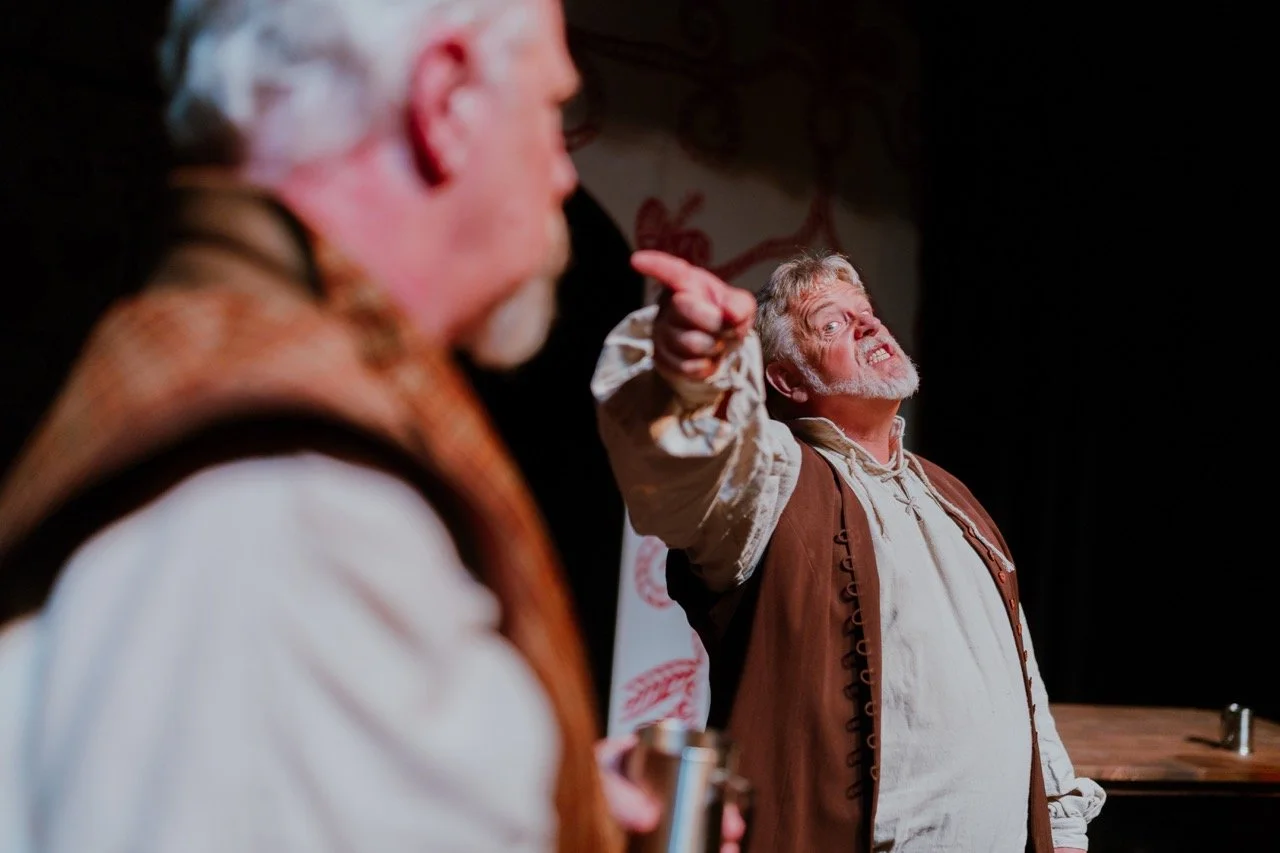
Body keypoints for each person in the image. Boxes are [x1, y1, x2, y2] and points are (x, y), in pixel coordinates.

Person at [0, 1, 743, 851]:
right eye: (548, 108)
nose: (563, 174)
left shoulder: (228, 376)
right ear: (446, 99)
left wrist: (538, 786)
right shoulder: (300, 510)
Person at [592, 249, 1107, 852]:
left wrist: (1061, 822)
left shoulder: (954, 497)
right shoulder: (778, 480)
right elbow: (695, 468)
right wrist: (689, 375)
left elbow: (1023, 674)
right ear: (788, 380)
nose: (867, 324)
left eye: (866, 312)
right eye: (832, 323)